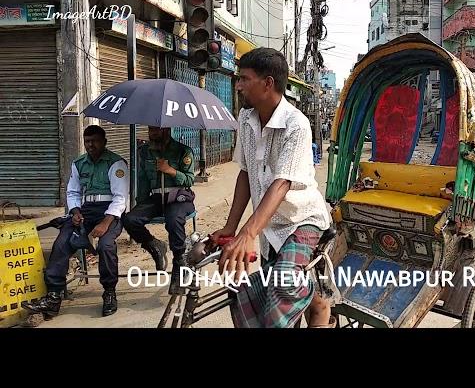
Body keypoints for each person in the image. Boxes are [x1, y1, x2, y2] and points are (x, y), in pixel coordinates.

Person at [210, 47, 334, 328]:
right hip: (269, 224)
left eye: (244, 79)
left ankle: (318, 298)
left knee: (282, 285)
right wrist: (231, 228)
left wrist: (249, 232)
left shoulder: (296, 124)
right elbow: (244, 172)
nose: (238, 85)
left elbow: (281, 183)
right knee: (244, 292)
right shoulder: (245, 118)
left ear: (268, 83)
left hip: (301, 220)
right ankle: (314, 296)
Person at [22, 125, 129, 318]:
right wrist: (75, 211)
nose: (90, 145)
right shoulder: (79, 163)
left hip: (109, 212)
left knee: (106, 246)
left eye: (94, 141)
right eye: (87, 141)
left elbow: (120, 198)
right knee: (62, 241)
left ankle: (109, 292)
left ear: (104, 142)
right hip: (86, 210)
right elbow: (72, 192)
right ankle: (54, 296)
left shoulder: (116, 163)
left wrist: (105, 224)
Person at [122, 127, 196, 294]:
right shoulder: (145, 152)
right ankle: (154, 245)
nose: (152, 133)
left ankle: (179, 263)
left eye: (156, 130)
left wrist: (170, 170)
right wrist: (140, 206)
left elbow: (190, 179)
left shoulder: (183, 151)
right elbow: (142, 180)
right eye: (150, 130)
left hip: (178, 197)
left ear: (166, 130)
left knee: (174, 220)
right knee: (130, 219)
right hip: (156, 198)